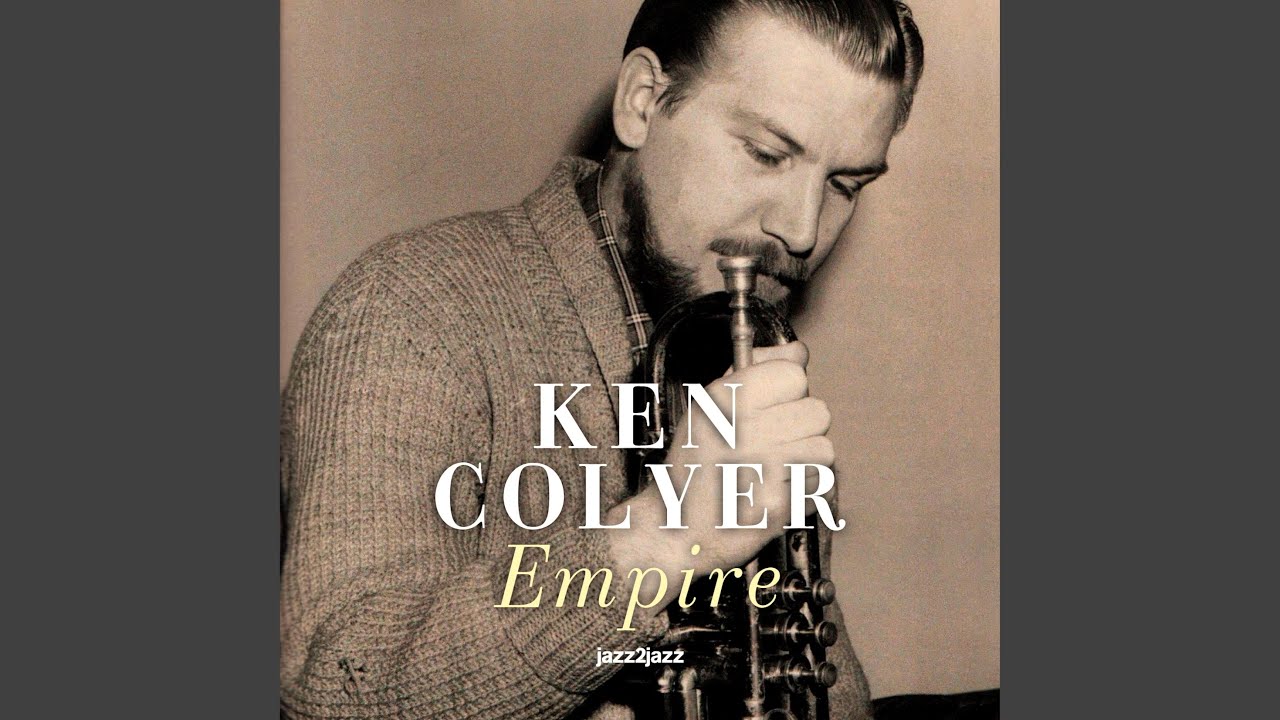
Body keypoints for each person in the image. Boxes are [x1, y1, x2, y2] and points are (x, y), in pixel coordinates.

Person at [279, 1, 923, 718]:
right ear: (642, 102)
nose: (801, 231)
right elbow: (334, 691)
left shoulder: (733, 344)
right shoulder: (410, 304)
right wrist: (663, 535)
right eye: (767, 154)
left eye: (844, 185)